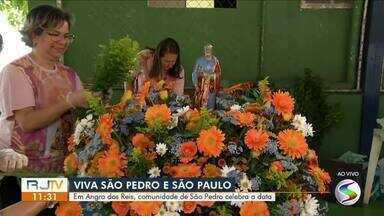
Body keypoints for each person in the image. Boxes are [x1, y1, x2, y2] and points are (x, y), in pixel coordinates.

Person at [0, 4, 88, 212]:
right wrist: (69, 101)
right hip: (24, 175)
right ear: (34, 34)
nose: (62, 41)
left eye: (67, 36)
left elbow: (83, 120)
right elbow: (27, 122)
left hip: (59, 173)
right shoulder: (17, 71)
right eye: (55, 34)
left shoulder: (70, 74)